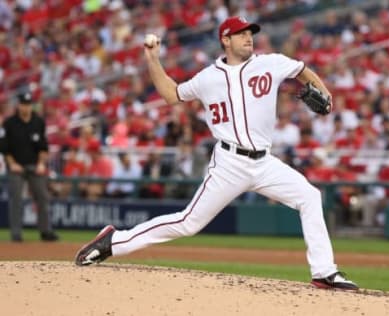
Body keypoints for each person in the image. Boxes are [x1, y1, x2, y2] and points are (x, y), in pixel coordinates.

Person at [75, 17, 358, 291]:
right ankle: (114, 241)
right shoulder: (208, 77)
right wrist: (153, 60)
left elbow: (301, 69)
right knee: (188, 223)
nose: (249, 37)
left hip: (265, 162)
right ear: (226, 39)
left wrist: (325, 93)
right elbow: (171, 95)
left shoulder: (270, 62)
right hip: (229, 164)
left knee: (309, 196)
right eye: (241, 34)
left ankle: (324, 272)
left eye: (251, 33)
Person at [0, 92, 58, 242]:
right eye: (23, 104)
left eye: (28, 104)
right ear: (18, 105)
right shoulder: (9, 123)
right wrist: (12, 164)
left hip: (34, 165)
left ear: (31, 105)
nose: (25, 107)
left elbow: (43, 147)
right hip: (16, 167)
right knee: (16, 199)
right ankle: (16, 234)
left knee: (43, 197)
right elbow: (4, 148)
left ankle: (46, 231)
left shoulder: (38, 122)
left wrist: (41, 164)